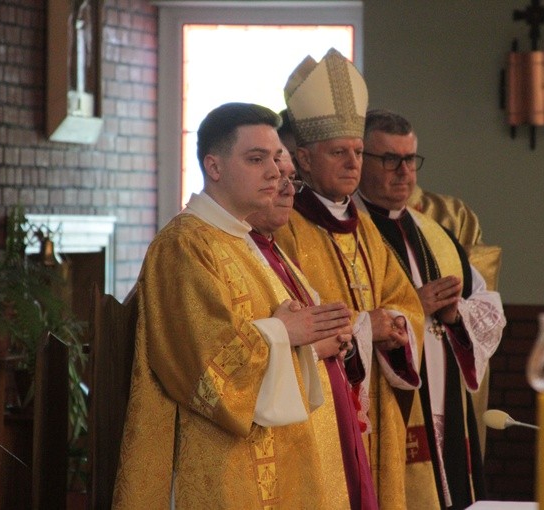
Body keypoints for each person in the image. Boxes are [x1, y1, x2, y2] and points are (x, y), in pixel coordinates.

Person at [112, 102, 355, 508]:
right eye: (256, 159)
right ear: (215, 166)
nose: (275, 172)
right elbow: (204, 373)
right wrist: (288, 334)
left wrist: (310, 340)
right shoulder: (185, 244)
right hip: (218, 468)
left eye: (276, 158)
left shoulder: (243, 242)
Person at [275, 48, 426, 510]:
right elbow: (290, 320)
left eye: (358, 152)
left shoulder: (360, 224)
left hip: (373, 404)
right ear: (302, 158)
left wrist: (397, 323)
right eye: (339, 152)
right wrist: (368, 328)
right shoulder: (284, 226)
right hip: (320, 411)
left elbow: (405, 302)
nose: (353, 163)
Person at [353, 108, 506, 509]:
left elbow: (489, 308)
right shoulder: (348, 234)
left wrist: (458, 317)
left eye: (410, 159)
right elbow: (341, 320)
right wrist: (411, 308)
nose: (404, 172)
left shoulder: (436, 235)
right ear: (359, 158)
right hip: (388, 408)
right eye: (389, 159)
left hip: (445, 404)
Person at [246, 149, 378, 509]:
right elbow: (224, 367)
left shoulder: (275, 251)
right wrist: (315, 349)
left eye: (292, 180)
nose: (289, 190)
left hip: (326, 431)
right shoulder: (225, 251)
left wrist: (343, 342)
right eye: (278, 180)